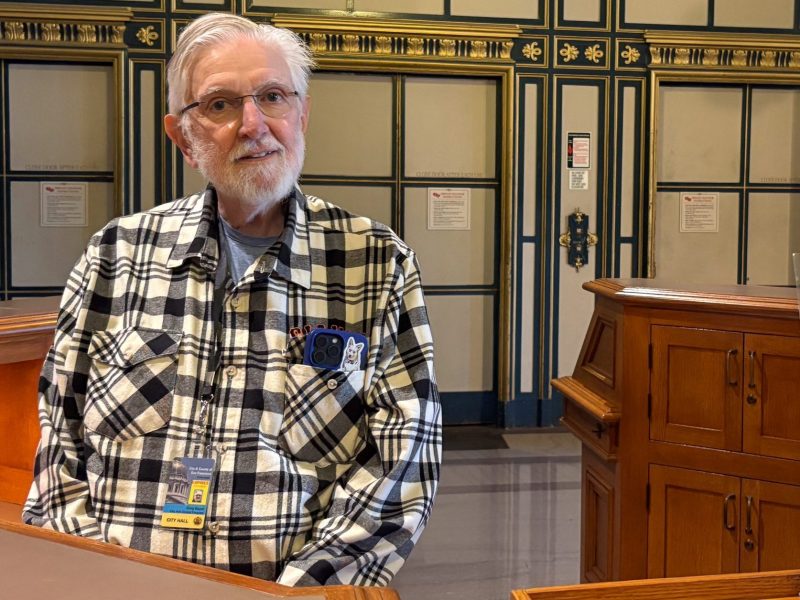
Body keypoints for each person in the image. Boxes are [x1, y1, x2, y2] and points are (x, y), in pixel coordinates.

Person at [23, 12, 441, 588]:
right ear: (183, 139)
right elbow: (59, 442)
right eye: (220, 105)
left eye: (272, 96)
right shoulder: (115, 255)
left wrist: (297, 591)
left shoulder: (376, 263)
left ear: (302, 114)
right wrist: (94, 578)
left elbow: (405, 460)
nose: (253, 124)